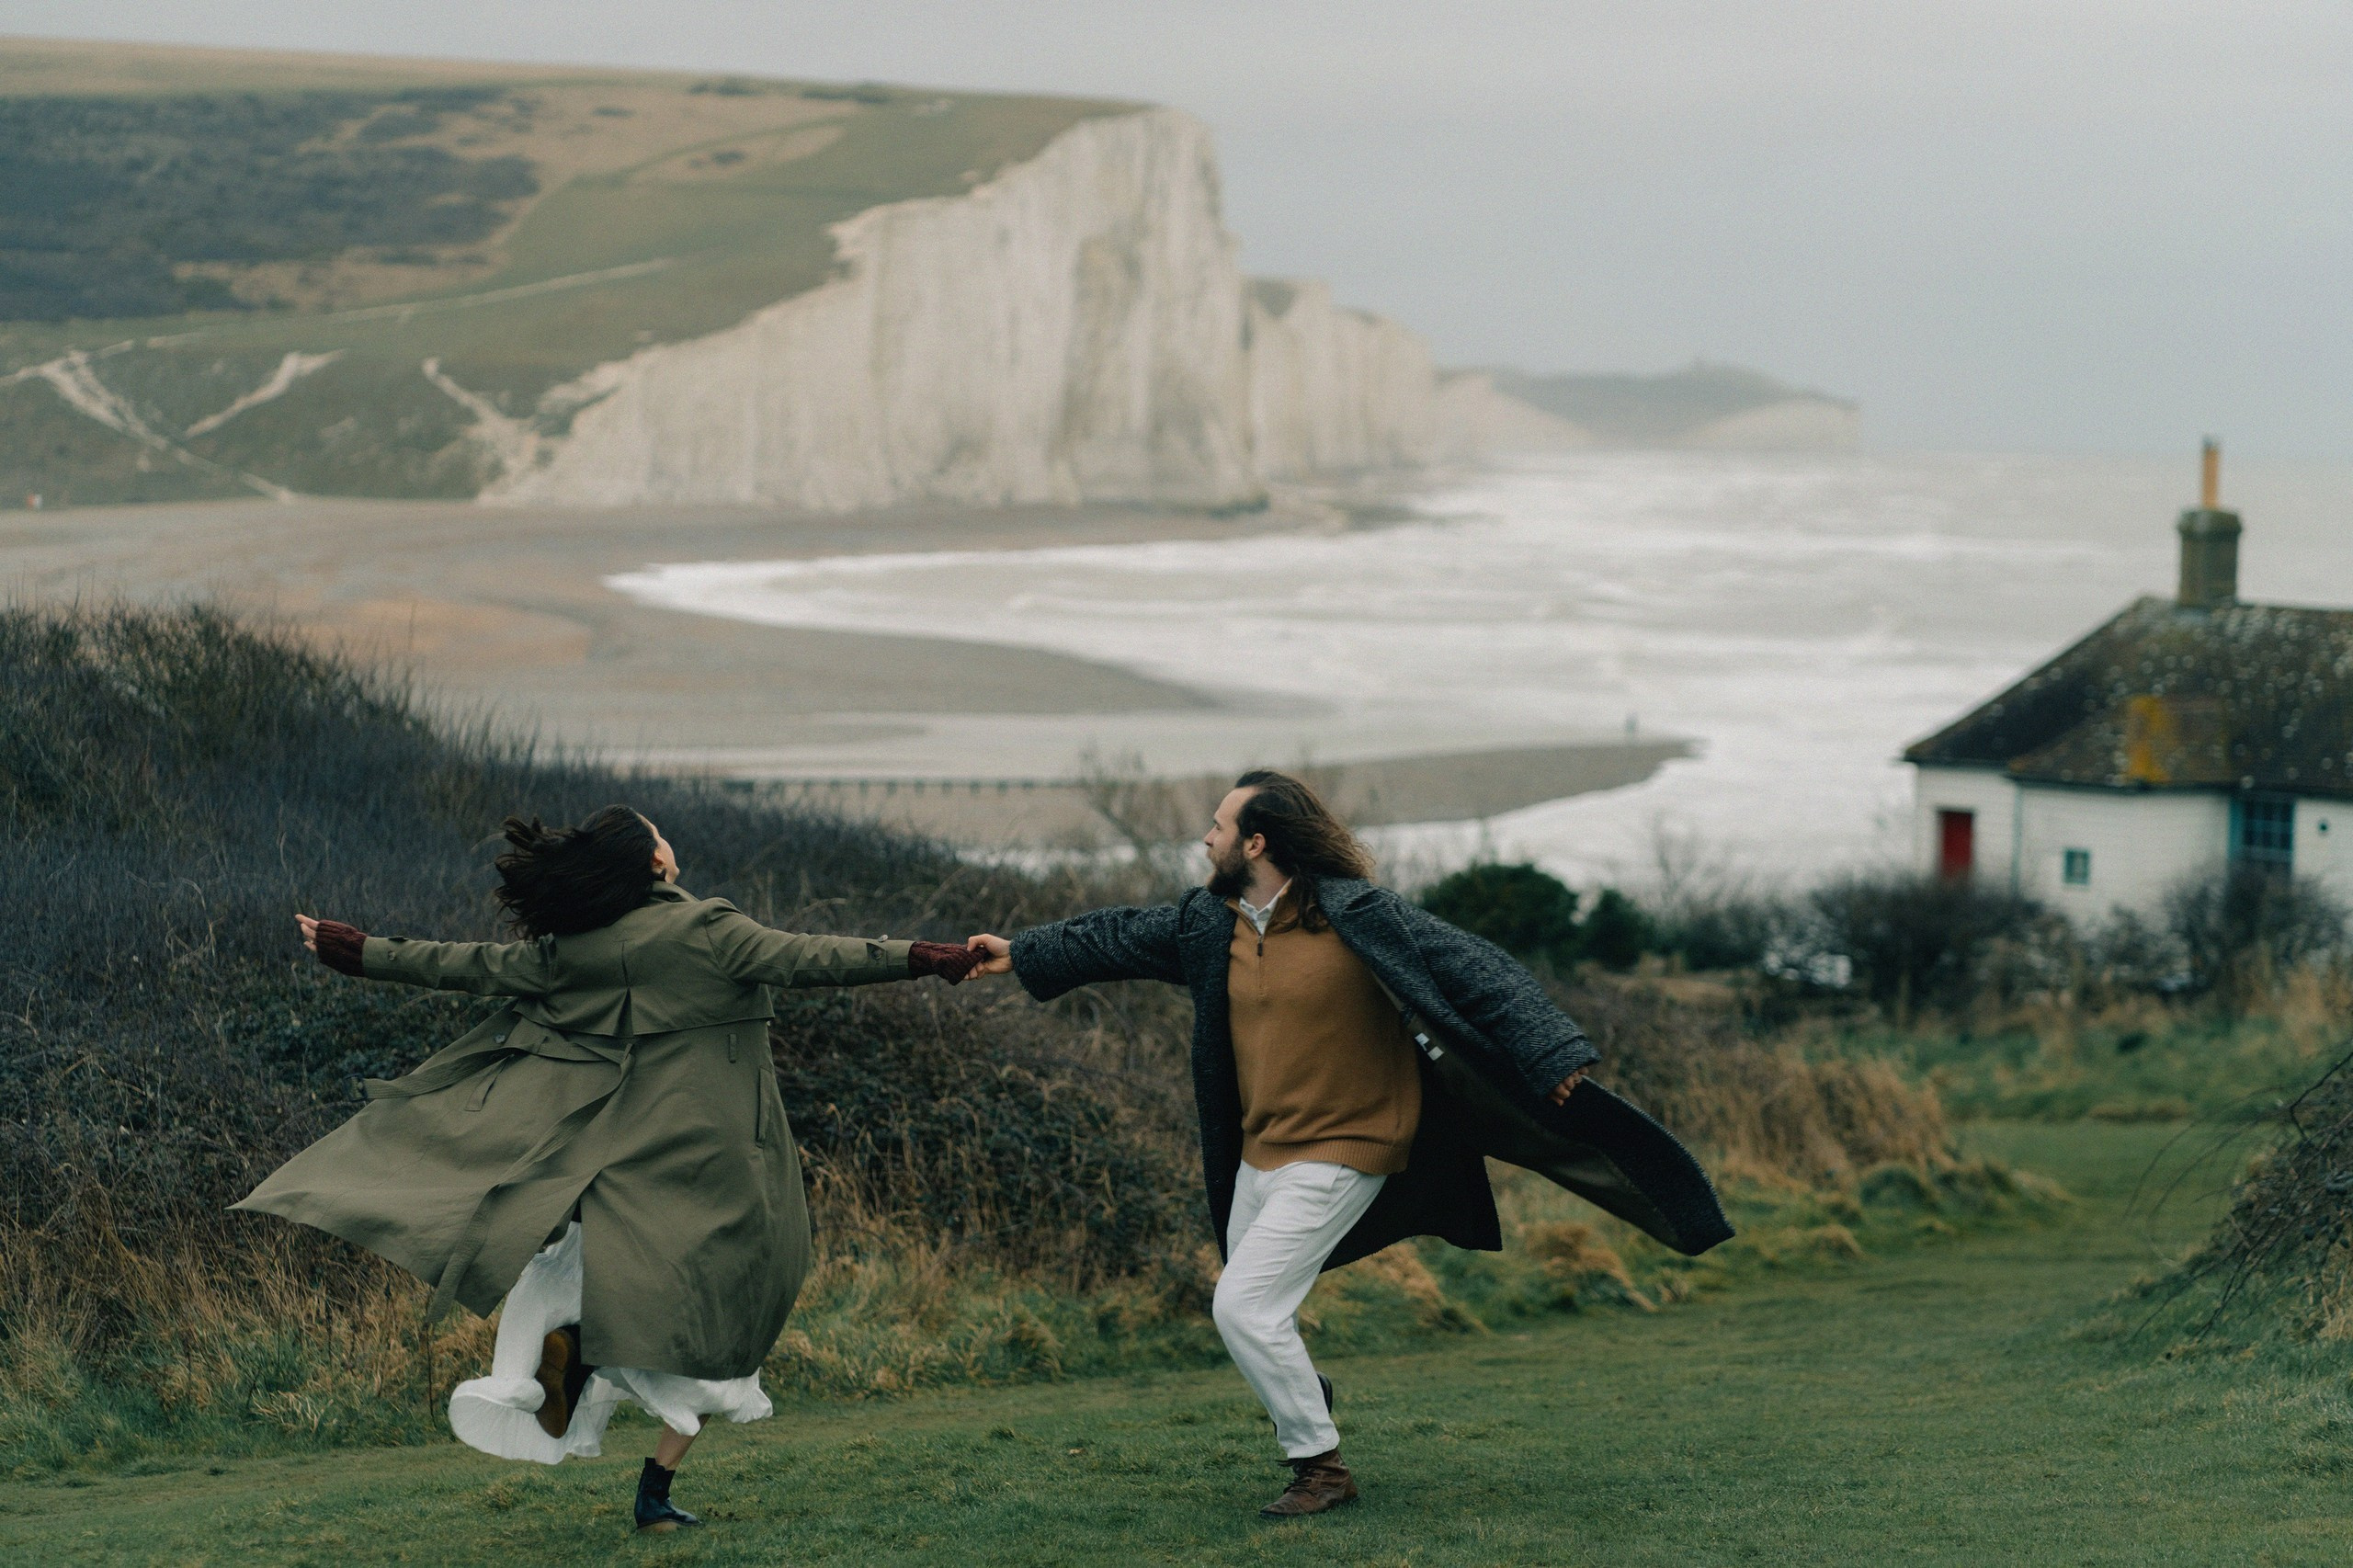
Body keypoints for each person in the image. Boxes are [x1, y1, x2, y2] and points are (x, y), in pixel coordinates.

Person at [968, 769, 1731, 1518]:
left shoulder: (1358, 914)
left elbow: (1480, 970)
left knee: (1241, 1305)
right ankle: (1302, 1394)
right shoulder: (1210, 926)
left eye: (1219, 826)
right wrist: (1021, 952)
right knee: (1259, 1311)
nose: (1205, 839)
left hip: (1352, 1142)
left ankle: (1321, 1468)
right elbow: (1116, 935)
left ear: (1257, 842)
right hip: (1260, 1151)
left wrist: (1553, 1051)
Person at [235, 805, 983, 1533]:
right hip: (726, 1161)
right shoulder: (708, 929)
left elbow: (465, 966)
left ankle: (578, 1364)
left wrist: (361, 950)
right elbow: (817, 957)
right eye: (659, 834)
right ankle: (640, 1461)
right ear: (653, 861)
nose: (668, 840)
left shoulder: (577, 949)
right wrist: (924, 957)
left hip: (625, 1159)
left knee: (611, 1285)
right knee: (738, 1307)